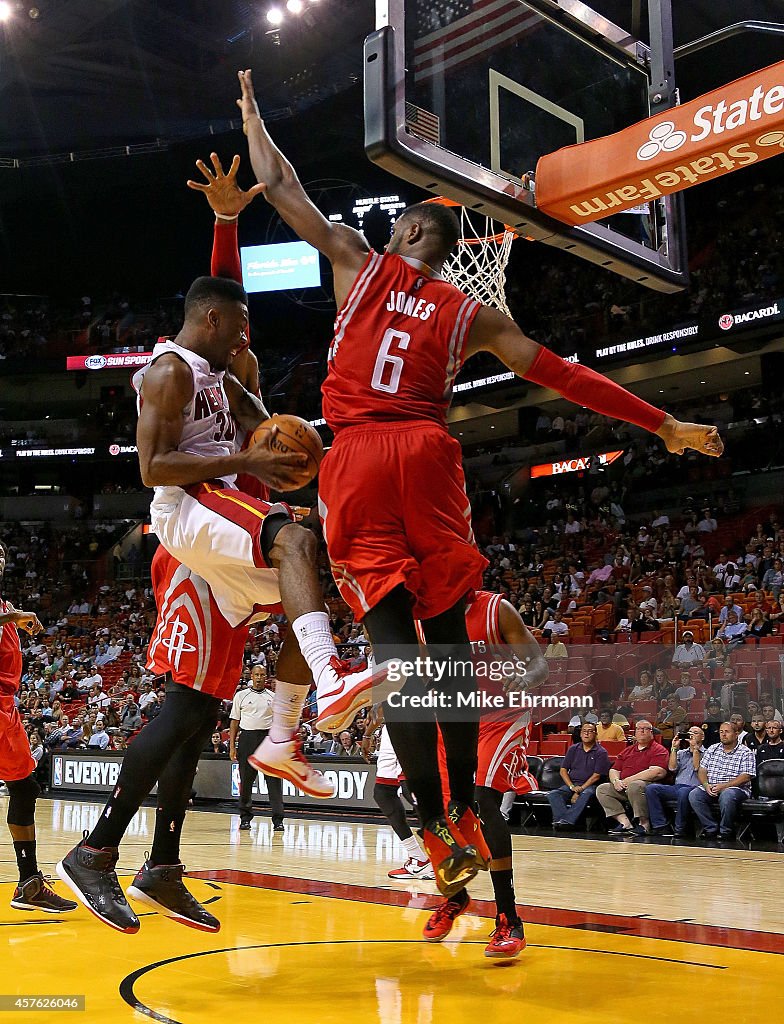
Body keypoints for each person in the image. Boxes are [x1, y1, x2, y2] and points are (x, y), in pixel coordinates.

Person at [233, 67, 723, 893]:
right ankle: (463, 809)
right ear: (458, 255)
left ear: (398, 240)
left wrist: (252, 116)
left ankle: (432, 831)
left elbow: (279, 184)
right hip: (427, 456)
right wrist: (662, 422)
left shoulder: (357, 265)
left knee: (398, 658)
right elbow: (566, 375)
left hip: (354, 457)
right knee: (450, 652)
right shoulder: (474, 315)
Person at [420, 592, 546, 957]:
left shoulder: (495, 609)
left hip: (500, 715)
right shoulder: (421, 616)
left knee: (482, 798)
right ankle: (456, 896)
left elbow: (538, 662)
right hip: (451, 717)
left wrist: (526, 678)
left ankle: (508, 917)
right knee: (436, 809)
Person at [0, 542, 76, 914]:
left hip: (5, 705)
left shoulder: (5, 608)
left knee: (25, 788)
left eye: (1, 555)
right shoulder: (8, 614)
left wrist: (15, 619)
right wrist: (14, 619)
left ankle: (29, 884)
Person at [229, 665, 285, 831]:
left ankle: (278, 819)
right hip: (247, 739)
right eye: (257, 675)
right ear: (251, 676)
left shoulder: (273, 697)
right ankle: (245, 817)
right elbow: (234, 722)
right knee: (246, 781)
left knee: (274, 781)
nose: (259, 678)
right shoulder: (241, 696)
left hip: (268, 739)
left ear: (266, 677)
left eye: (262, 675)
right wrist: (232, 746)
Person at [596, 721, 668, 835]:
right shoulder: (628, 750)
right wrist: (616, 781)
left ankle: (644, 824)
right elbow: (614, 769)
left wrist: (629, 780)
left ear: (651, 732)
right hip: (624, 786)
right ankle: (625, 823)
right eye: (639, 729)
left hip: (646, 787)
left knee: (635, 785)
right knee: (602, 789)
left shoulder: (658, 749)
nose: (642, 731)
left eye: (645, 729)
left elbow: (658, 772)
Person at [689, 722, 756, 840]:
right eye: (721, 732)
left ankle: (726, 831)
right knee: (694, 795)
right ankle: (710, 828)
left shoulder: (745, 752)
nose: (723, 735)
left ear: (736, 734)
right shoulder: (712, 749)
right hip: (712, 787)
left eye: (727, 732)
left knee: (727, 795)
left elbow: (746, 776)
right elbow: (702, 770)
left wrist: (724, 786)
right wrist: (705, 785)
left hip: (736, 789)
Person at [548, 722, 610, 830]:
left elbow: (596, 776)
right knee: (554, 794)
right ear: (580, 734)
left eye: (590, 731)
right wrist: (572, 787)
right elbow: (563, 770)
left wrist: (579, 790)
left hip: (591, 786)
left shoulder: (601, 752)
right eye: (584, 731)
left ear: (595, 734)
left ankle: (566, 821)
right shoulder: (573, 748)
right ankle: (562, 821)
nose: (586, 734)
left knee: (586, 793)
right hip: (572, 784)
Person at [645, 726, 704, 837]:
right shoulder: (681, 753)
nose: (691, 735)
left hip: (696, 788)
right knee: (651, 788)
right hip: (677, 787)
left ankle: (680, 829)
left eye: (695, 733)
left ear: (703, 737)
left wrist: (695, 749)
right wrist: (674, 748)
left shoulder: (708, 753)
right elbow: (672, 768)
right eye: (689, 733)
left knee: (684, 792)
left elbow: (697, 768)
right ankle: (660, 826)